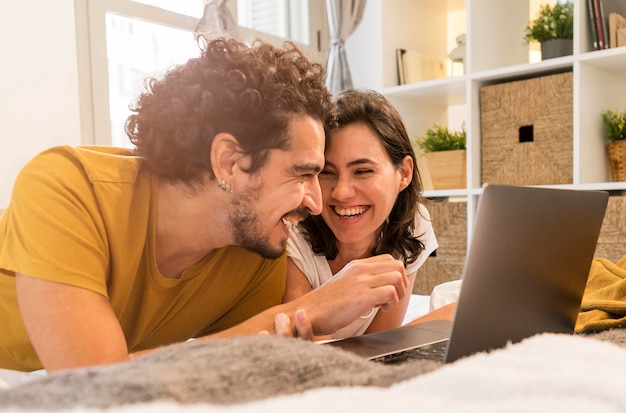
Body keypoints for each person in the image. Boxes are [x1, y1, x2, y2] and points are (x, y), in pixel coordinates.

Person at [0, 38, 411, 373]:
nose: (318, 202)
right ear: (230, 161)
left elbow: (253, 365)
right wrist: (306, 310)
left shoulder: (258, 252)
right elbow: (93, 385)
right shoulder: (67, 188)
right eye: (303, 174)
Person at [284, 89, 438, 339]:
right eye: (327, 172)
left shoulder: (413, 223)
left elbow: (379, 344)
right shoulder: (291, 231)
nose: (342, 193)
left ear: (404, 173)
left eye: (363, 171)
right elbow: (312, 349)